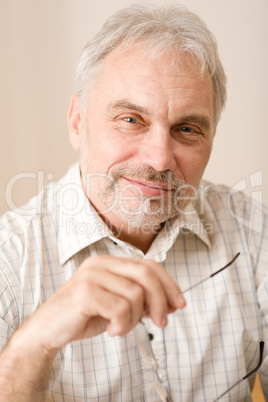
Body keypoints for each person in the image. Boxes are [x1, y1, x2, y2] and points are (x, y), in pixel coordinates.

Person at [0, 3, 267, 401]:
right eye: (131, 119)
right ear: (78, 121)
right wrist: (33, 344)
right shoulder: (10, 261)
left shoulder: (253, 231)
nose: (159, 158)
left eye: (187, 128)